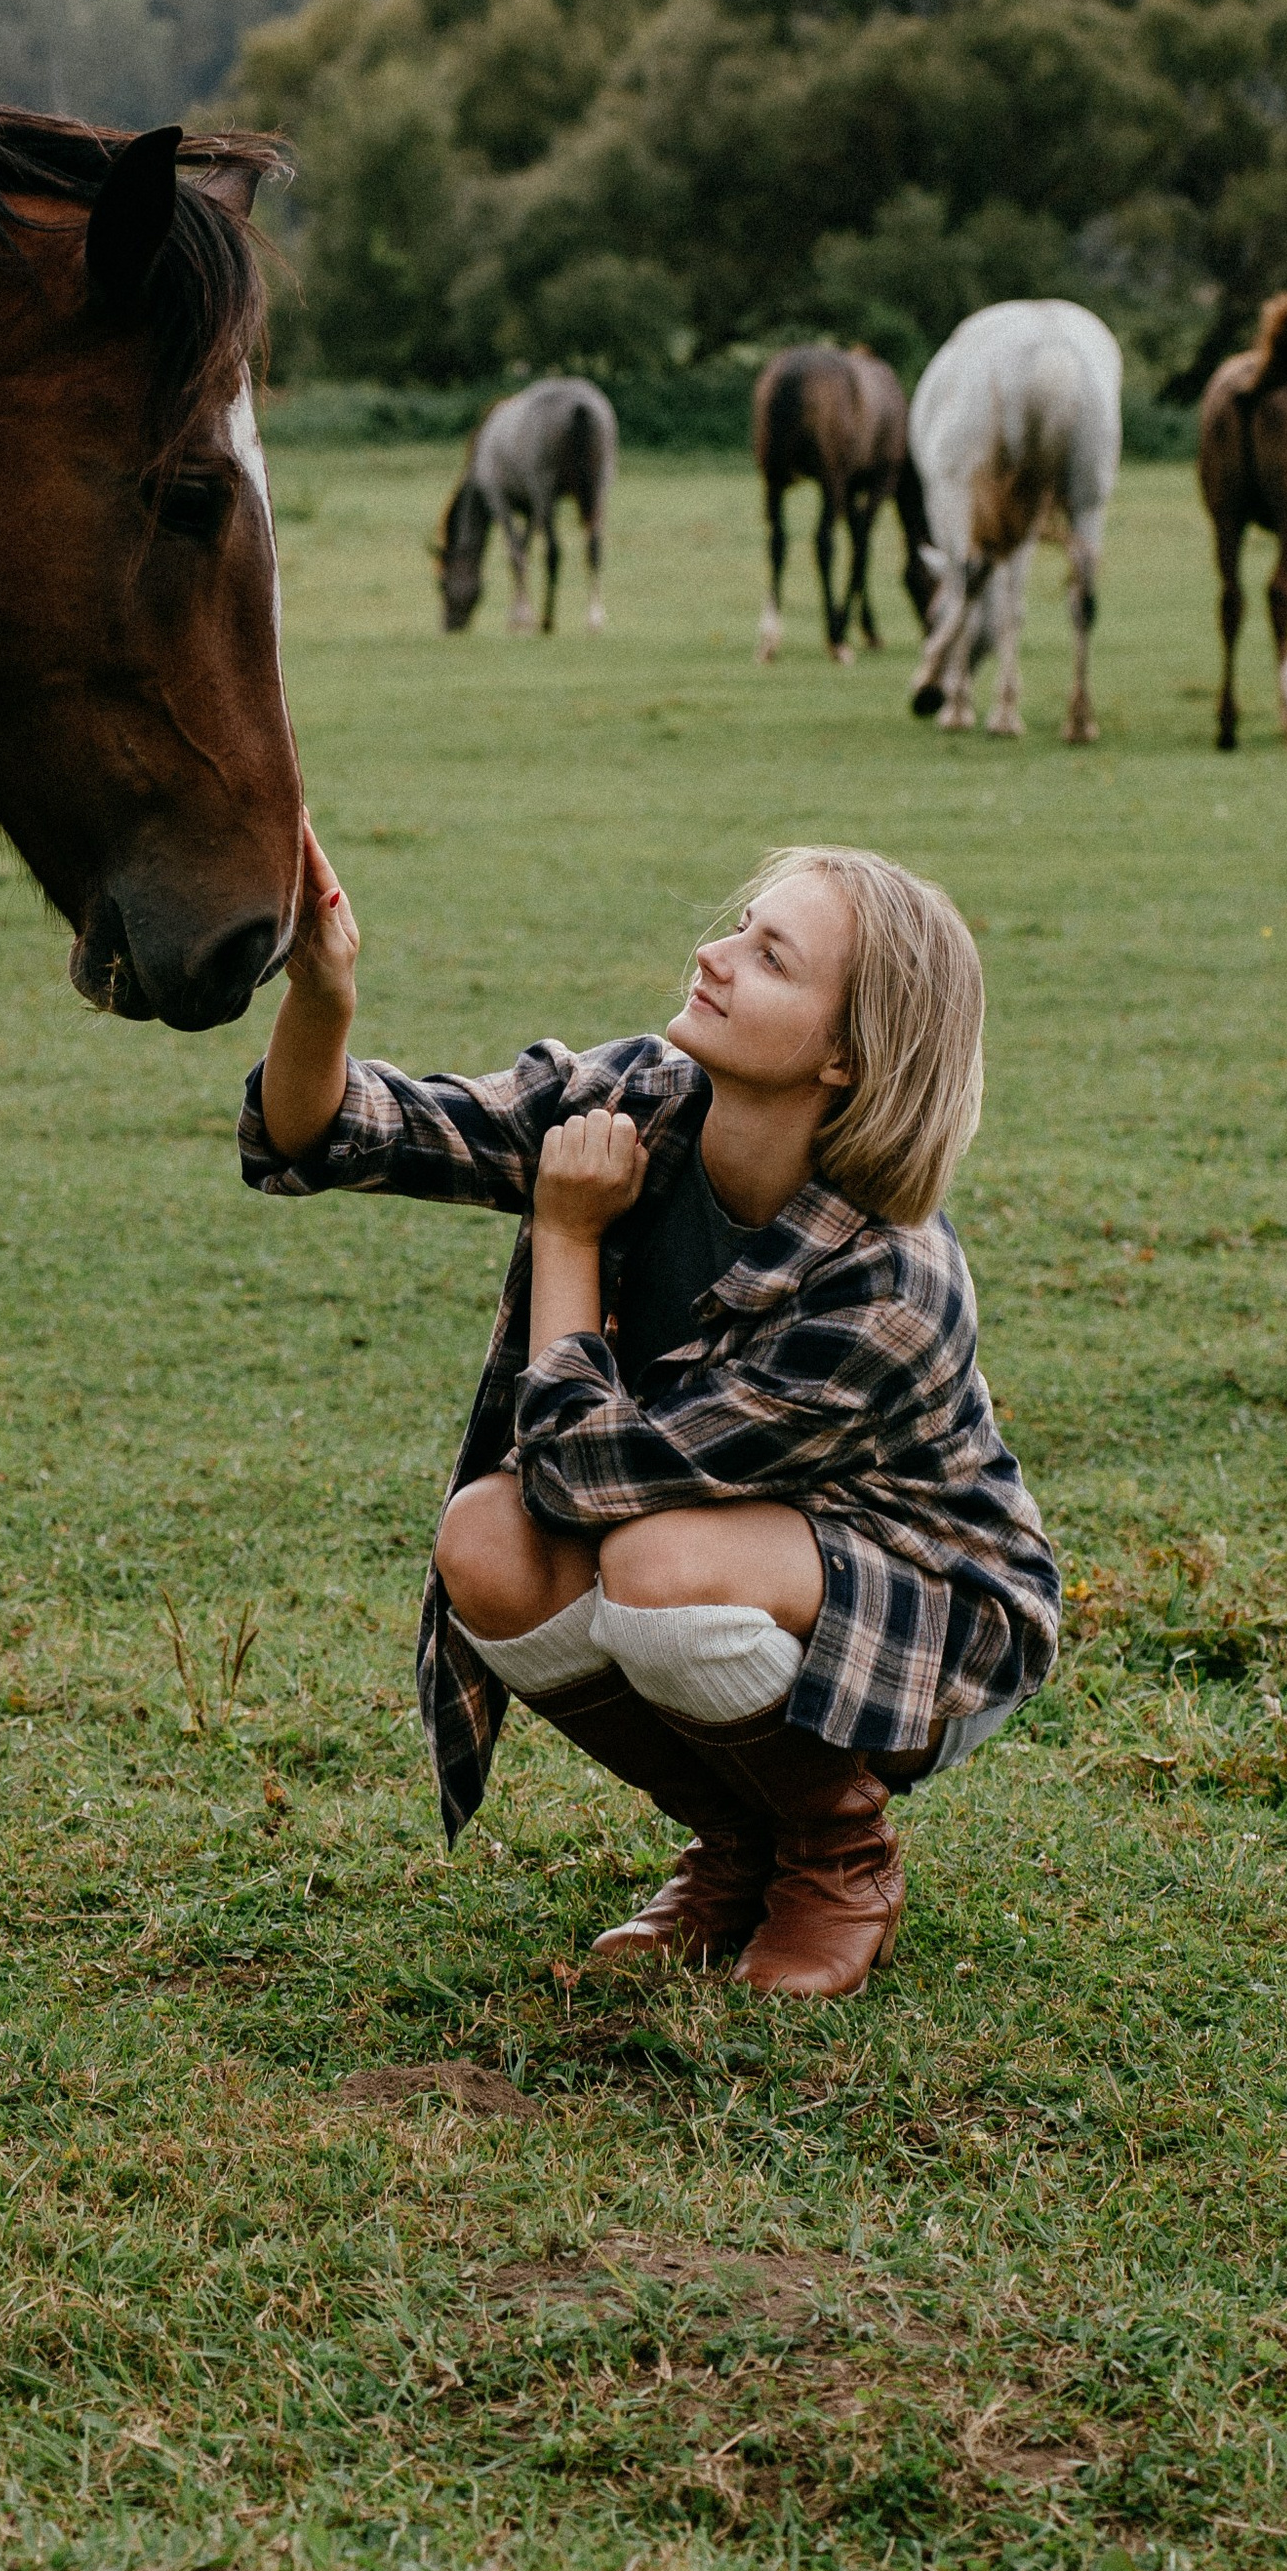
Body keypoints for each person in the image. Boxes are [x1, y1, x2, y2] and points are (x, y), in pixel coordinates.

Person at [240, 830, 1058, 1997]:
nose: (713, 954)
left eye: (770, 958)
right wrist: (324, 993)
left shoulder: (891, 1284)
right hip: (713, 1550)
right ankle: (739, 1845)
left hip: (929, 1617)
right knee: (487, 1542)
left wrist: (566, 1232)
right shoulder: (637, 1101)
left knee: (659, 1569)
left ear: (845, 1054)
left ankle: (837, 1859)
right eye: (739, 928)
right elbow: (330, 1130)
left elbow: (579, 1478)